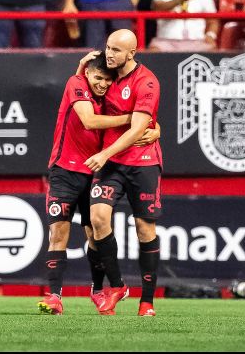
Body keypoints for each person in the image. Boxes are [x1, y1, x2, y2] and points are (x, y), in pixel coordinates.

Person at [38, 53, 161, 315]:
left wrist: (153, 127)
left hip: (95, 170)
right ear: (86, 74)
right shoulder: (76, 83)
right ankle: (55, 296)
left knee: (95, 234)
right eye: (98, 78)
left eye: (107, 79)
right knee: (58, 232)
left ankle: (98, 290)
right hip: (65, 170)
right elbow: (90, 120)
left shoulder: (111, 95)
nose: (103, 84)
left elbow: (147, 117)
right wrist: (132, 120)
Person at [84, 29, 163, 317]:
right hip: (111, 164)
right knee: (97, 219)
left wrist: (105, 153)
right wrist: (81, 66)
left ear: (132, 53)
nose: (109, 54)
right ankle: (116, 286)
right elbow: (80, 87)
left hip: (142, 161)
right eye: (108, 47)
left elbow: (138, 129)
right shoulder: (104, 74)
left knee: (145, 229)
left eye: (116, 50)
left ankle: (147, 302)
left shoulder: (147, 81)